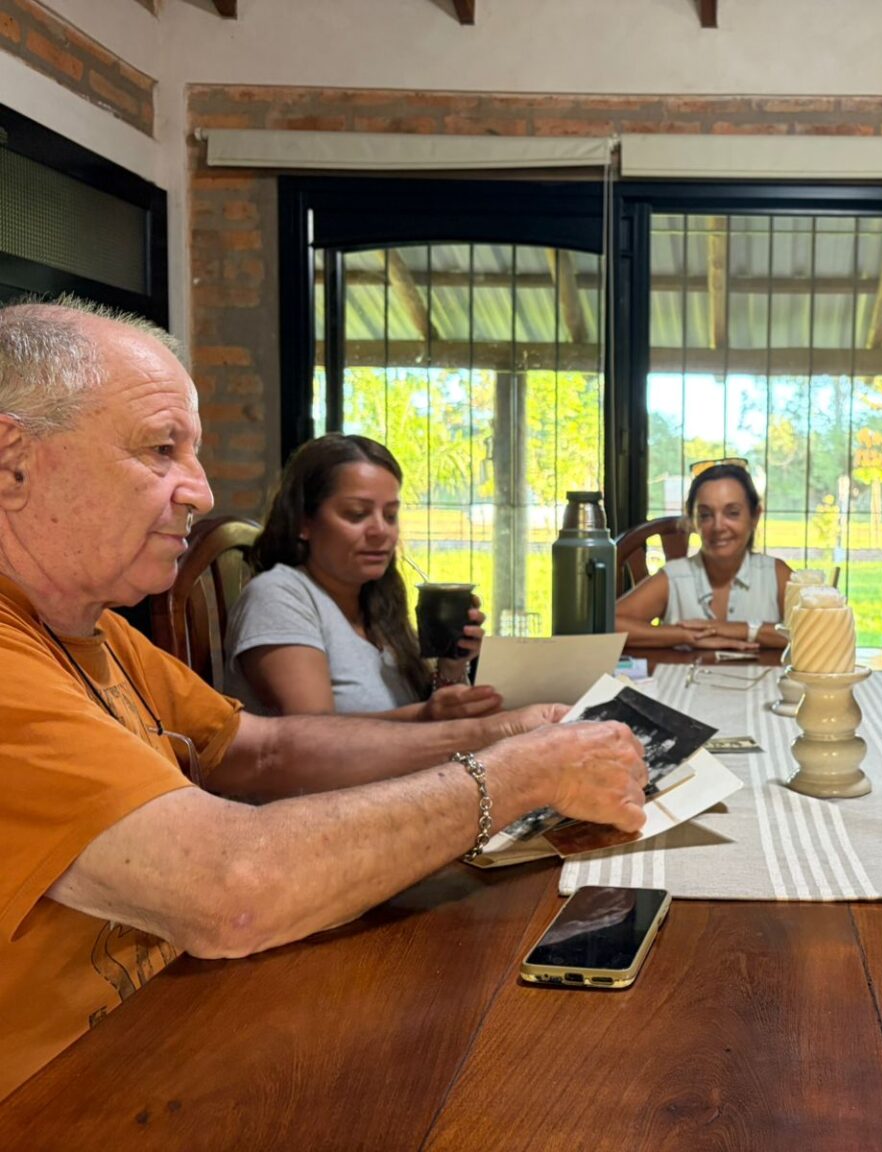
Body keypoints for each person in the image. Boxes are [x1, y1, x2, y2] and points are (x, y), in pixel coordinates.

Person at [0, 299, 648, 1100]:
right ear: (13, 463)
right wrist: (519, 774)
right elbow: (231, 889)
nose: (200, 490)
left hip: (173, 1028)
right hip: (68, 1097)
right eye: (161, 449)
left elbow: (265, 749)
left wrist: (506, 733)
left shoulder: (92, 630)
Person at [225, 433, 498, 721]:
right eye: (357, 514)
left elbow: (438, 725)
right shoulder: (276, 596)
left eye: (390, 516)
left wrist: (452, 665)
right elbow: (311, 733)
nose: (381, 531)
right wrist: (424, 716)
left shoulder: (378, 604)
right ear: (303, 522)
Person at [616, 459, 792, 651]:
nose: (718, 527)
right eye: (705, 515)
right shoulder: (674, 577)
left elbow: (812, 633)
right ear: (692, 520)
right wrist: (684, 636)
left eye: (732, 513)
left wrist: (736, 630)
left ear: (755, 516)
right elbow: (610, 625)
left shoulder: (776, 574)